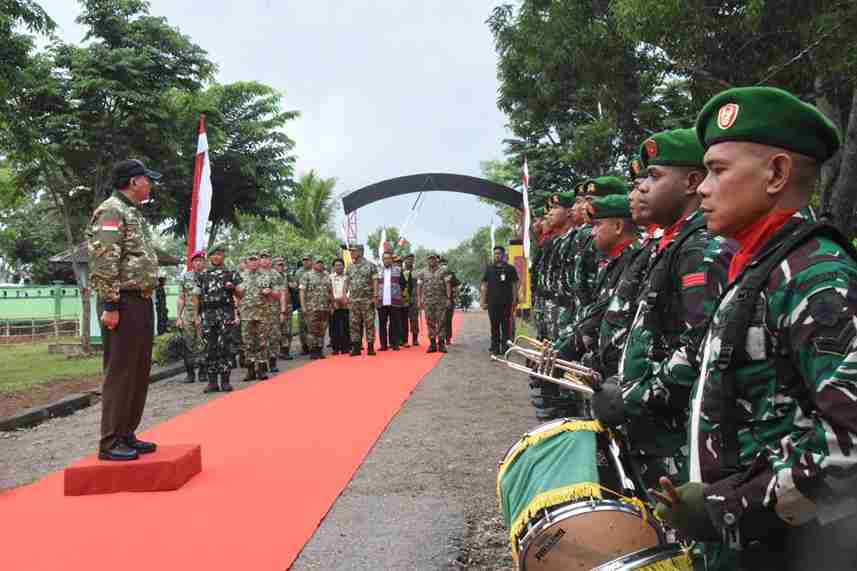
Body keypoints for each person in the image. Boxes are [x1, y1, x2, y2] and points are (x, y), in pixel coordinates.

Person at [649, 86, 857, 571]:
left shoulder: (816, 275)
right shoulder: (762, 267)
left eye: (719, 170)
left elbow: (850, 441)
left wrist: (732, 506)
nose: (702, 186)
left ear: (778, 174)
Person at [600, 128, 735, 490]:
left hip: (674, 436)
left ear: (691, 182)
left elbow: (702, 345)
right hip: (652, 430)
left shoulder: (699, 248)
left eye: (654, 176)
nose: (641, 187)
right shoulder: (674, 244)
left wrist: (633, 396)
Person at [85, 158, 162, 461]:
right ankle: (110, 441)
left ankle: (126, 432)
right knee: (120, 371)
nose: (150, 185)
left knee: (139, 370)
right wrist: (110, 305)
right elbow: (104, 261)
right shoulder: (111, 211)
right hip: (123, 302)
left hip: (140, 300)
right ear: (134, 182)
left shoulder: (132, 212)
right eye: (148, 179)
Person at [195, 244, 242, 393]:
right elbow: (196, 297)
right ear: (210, 257)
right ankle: (212, 382)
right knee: (210, 348)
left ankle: (226, 381)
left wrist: (233, 289)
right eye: (214, 255)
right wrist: (196, 316)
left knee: (225, 347)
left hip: (225, 314)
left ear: (223, 256)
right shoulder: (203, 275)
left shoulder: (231, 273)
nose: (216, 257)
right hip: (208, 315)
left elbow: (241, 294)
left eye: (219, 254)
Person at [236, 253, 271, 381]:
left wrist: (268, 292)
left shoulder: (265, 276)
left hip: (262, 314)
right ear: (247, 262)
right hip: (246, 314)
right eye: (251, 260)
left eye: (256, 260)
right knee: (248, 343)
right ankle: (250, 370)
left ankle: (261, 369)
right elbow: (236, 294)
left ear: (259, 262)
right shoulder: (240, 276)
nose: (254, 263)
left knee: (262, 342)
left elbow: (272, 293)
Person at [481, 246, 519, 356]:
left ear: (503, 255)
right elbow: (484, 285)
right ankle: (494, 347)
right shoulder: (489, 269)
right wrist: (483, 301)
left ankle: (505, 348)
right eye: (495, 254)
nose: (497, 255)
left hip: (506, 302)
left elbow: (514, 285)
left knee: (506, 326)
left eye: (499, 253)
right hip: (492, 303)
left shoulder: (510, 269)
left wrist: (515, 299)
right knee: (494, 326)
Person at [176, 251, 206, 384]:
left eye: (201, 260)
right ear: (192, 263)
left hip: (204, 314)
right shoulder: (185, 277)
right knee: (188, 343)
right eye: (196, 260)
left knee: (203, 343)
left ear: (204, 262)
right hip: (188, 315)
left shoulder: (208, 276)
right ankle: (190, 373)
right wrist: (178, 317)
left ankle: (203, 372)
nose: (198, 263)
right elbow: (181, 298)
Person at [345, 244, 378, 356]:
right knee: (354, 324)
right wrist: (345, 295)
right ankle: (356, 348)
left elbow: (375, 282)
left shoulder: (371, 266)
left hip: (367, 300)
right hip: (354, 300)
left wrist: (375, 296)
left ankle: (370, 347)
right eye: (351, 251)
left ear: (360, 251)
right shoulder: (349, 266)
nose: (351, 253)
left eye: (353, 251)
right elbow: (347, 282)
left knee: (369, 323)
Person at [417, 252, 452, 353]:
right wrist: (419, 300)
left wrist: (448, 298)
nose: (432, 261)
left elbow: (448, 285)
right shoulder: (422, 273)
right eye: (429, 259)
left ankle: (441, 344)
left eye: (433, 259)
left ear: (437, 260)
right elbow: (419, 287)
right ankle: (432, 344)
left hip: (441, 301)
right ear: (427, 260)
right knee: (430, 322)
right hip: (428, 301)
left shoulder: (443, 271)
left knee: (441, 322)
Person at [300, 257, 333, 359]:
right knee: (312, 331)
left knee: (322, 330)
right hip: (311, 308)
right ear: (313, 263)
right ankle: (313, 351)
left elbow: (330, 291)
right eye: (318, 263)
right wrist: (303, 307)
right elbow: (302, 292)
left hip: (324, 308)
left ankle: (319, 349)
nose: (320, 265)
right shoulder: (307, 275)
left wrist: (332, 304)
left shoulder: (327, 275)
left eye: (321, 263)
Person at [259, 251, 282, 373]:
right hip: (258, 311)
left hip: (272, 310)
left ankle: (273, 362)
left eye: (267, 258)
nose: (265, 260)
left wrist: (271, 292)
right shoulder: (255, 273)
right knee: (261, 337)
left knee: (273, 336)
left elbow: (279, 294)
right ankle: (261, 364)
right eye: (262, 258)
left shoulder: (275, 275)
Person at [376, 251, 404, 351]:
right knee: (382, 324)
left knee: (394, 324)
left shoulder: (398, 270)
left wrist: (400, 295)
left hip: (395, 301)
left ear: (392, 260)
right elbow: (374, 285)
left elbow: (403, 284)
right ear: (382, 260)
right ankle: (383, 345)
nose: (387, 260)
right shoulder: (378, 271)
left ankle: (394, 344)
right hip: (381, 301)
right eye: (385, 258)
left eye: (389, 258)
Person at [274, 257, 295, 360]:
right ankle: (275, 352)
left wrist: (292, 284)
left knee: (287, 329)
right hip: (275, 306)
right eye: (279, 265)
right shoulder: (272, 276)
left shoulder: (287, 275)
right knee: (276, 329)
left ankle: (285, 350)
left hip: (288, 305)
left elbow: (294, 285)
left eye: (282, 265)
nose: (281, 267)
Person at [329, 258, 350, 354]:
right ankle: (335, 348)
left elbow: (349, 290)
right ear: (333, 267)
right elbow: (328, 291)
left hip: (346, 304)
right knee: (334, 327)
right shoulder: (329, 278)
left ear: (343, 266)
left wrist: (344, 300)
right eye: (336, 265)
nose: (338, 267)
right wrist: (334, 301)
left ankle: (346, 347)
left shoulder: (347, 277)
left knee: (346, 326)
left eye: (340, 265)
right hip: (334, 305)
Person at [293, 255, 313, 355]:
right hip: (302, 302)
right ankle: (304, 346)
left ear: (311, 261)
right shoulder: (298, 272)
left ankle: (314, 346)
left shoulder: (315, 270)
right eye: (304, 260)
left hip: (315, 302)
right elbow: (296, 288)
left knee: (313, 326)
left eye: (307, 260)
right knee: (302, 326)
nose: (305, 262)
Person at [400, 253, 417, 346]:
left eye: (412, 259)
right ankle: (403, 339)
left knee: (414, 319)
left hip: (414, 298)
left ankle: (415, 338)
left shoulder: (416, 272)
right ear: (404, 260)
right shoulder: (401, 271)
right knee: (403, 320)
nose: (410, 261)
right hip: (403, 298)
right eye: (408, 259)